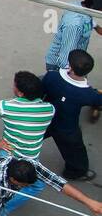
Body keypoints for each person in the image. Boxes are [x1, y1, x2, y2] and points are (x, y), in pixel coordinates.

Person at [0, 71, 56, 215]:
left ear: (20, 93)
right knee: (34, 185)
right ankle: (4, 206)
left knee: (2, 183)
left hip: (8, 152)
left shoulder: (5, 106)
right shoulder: (49, 109)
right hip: (32, 158)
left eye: (14, 85)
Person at [42, 50, 102, 181]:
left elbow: (42, 88)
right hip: (67, 128)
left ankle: (13, 153)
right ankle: (75, 172)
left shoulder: (52, 77)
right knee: (75, 151)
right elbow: (98, 100)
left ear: (70, 67)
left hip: (44, 119)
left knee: (27, 138)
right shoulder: (88, 94)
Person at [46, 0, 102, 72]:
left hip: (75, 59)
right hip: (61, 66)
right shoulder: (74, 26)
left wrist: (96, 26)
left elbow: (87, 18)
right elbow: (66, 55)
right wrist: (72, 77)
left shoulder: (79, 6)